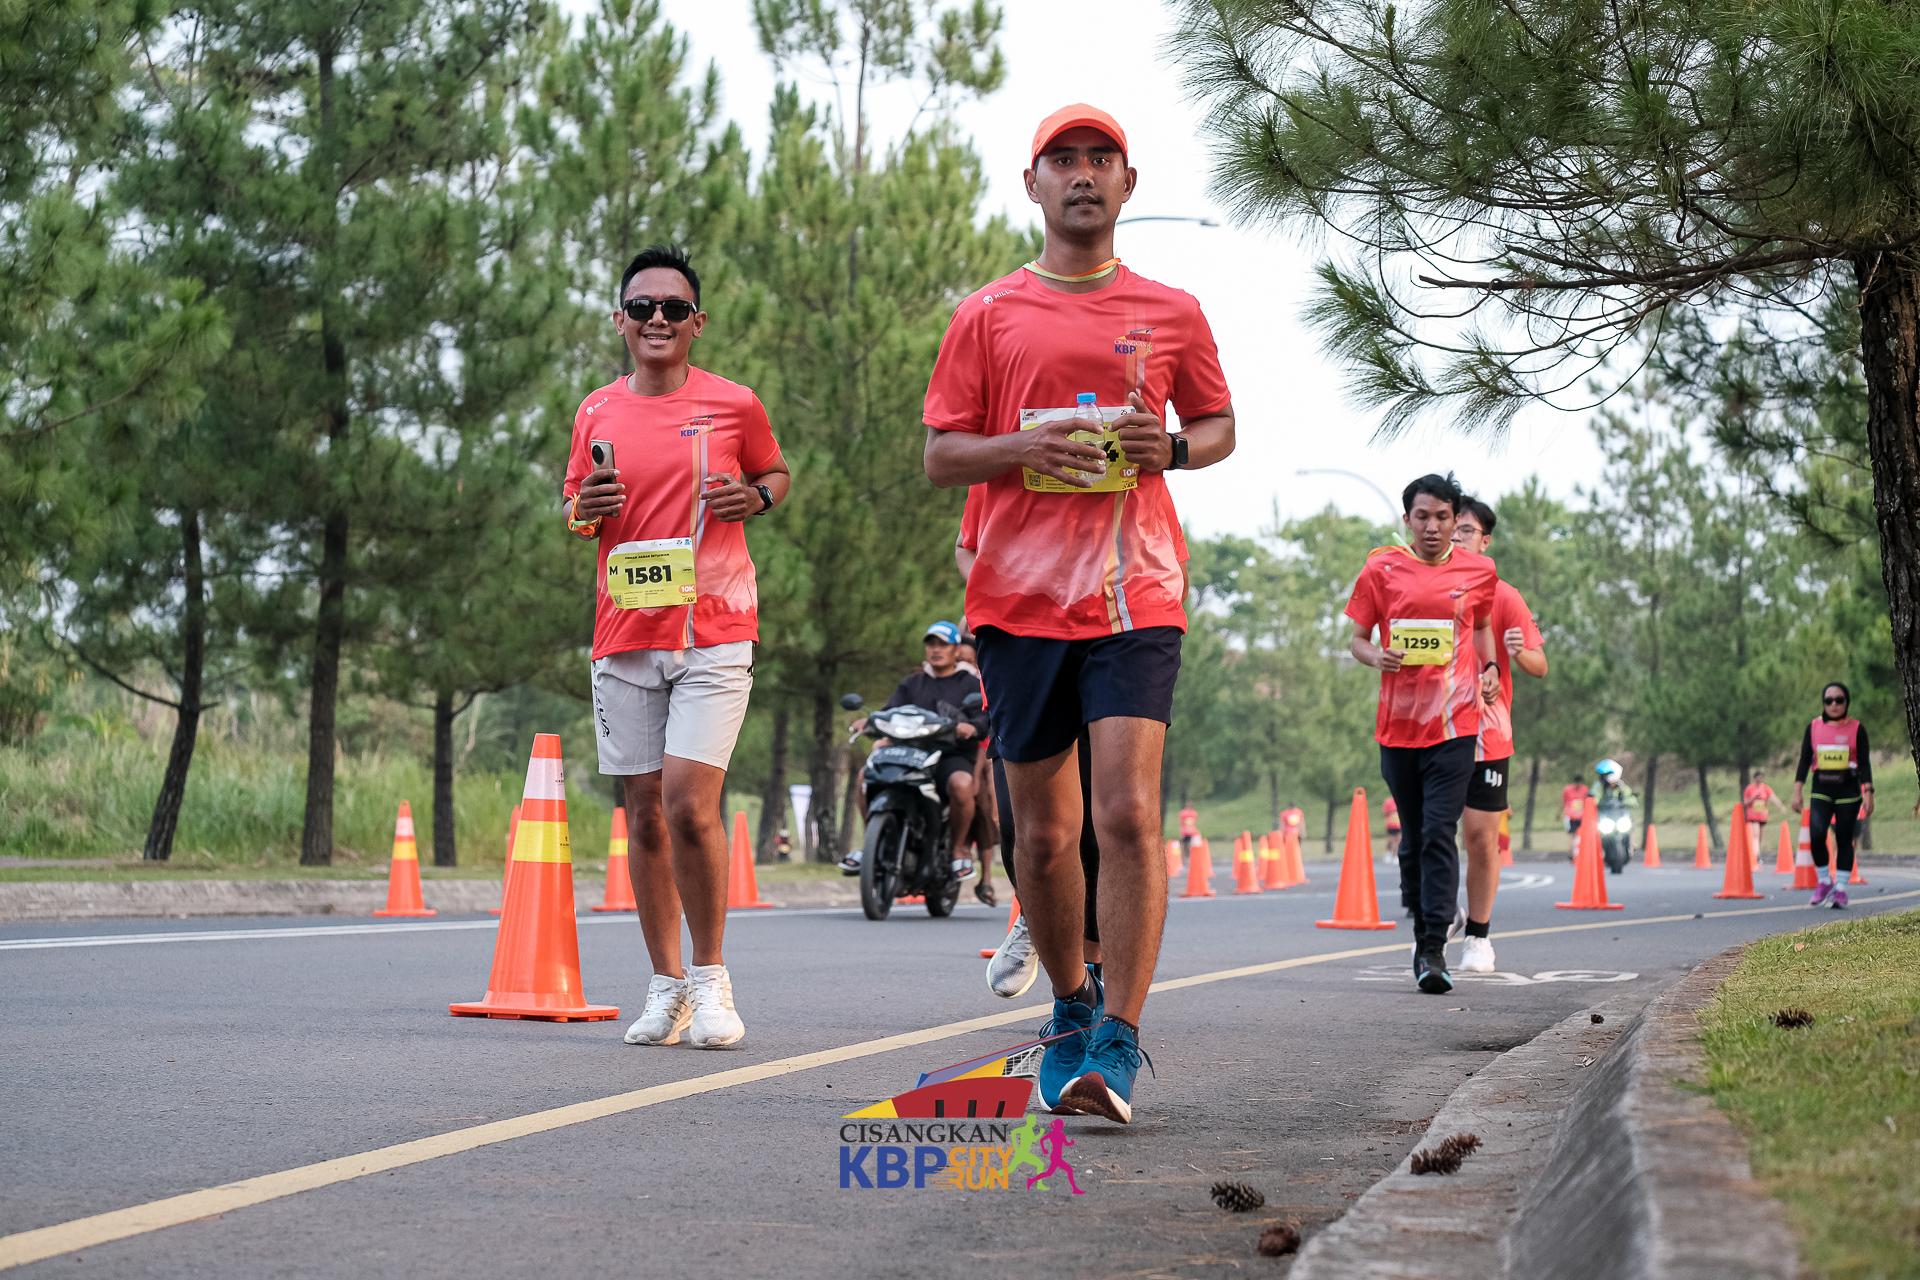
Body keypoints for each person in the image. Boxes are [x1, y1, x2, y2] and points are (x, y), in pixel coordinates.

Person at [922, 103, 1236, 1122]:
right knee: (1048, 836)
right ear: (1035, 185)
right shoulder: (988, 315)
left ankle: (1120, 1035)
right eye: (1064, 160)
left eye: (1103, 158)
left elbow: (1219, 425)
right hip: (1018, 603)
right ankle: (1069, 1005)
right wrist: (1023, 449)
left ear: (1128, 184)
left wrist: (1171, 449)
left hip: (1136, 592)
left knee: (1129, 814)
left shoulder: (1172, 310)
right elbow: (941, 454)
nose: (1084, 174)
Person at [565, 244, 791, 1049]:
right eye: (641, 308)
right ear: (620, 322)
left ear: (698, 322)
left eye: (672, 308)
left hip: (715, 630)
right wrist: (585, 508)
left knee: (691, 807)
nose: (656, 319)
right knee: (644, 817)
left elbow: (775, 473)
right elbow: (575, 508)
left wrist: (754, 497)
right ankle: (666, 989)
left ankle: (711, 979)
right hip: (626, 631)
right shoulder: (596, 411)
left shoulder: (734, 403)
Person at [1346, 473, 1498, 995]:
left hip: (1456, 724)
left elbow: (1481, 626)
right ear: (1407, 520)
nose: (1432, 527)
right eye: (1422, 516)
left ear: (1456, 520)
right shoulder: (1381, 568)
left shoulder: (1479, 571)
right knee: (1412, 841)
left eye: (1442, 517)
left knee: (1438, 832)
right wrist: (1377, 657)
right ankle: (1425, 924)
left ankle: (1433, 946)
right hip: (1398, 728)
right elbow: (1357, 639)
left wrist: (1490, 667)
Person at [1449, 497, 1547, 974]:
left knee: (1480, 837)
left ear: (1485, 541)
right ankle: (1440, 908)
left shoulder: (1503, 596)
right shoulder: (1425, 589)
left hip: (1486, 732)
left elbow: (1539, 664)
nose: (1455, 536)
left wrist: (1517, 651)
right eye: (1449, 526)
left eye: (1465, 530)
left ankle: (1478, 936)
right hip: (1429, 729)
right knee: (1423, 832)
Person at [839, 621, 990, 879]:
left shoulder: (971, 684)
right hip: (909, 753)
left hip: (950, 755)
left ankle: (958, 851)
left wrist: (971, 726)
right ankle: (871, 845)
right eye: (931, 644)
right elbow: (889, 711)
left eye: (943, 644)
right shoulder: (912, 683)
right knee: (865, 776)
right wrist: (870, 721)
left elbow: (984, 719)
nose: (936, 649)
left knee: (962, 784)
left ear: (956, 650)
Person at [1793, 682, 1876, 907]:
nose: (1834, 704)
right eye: (1828, 700)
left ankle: (1840, 889)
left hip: (1848, 791)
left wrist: (1868, 791)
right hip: (1822, 788)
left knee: (1844, 839)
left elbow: (1864, 763)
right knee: (1817, 835)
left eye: (1839, 700)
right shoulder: (1813, 727)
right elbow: (1804, 760)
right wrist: (1797, 791)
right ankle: (1824, 881)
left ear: (1846, 702)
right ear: (1823, 703)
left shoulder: (1857, 729)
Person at [1743, 769, 1777, 857]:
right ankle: (1756, 855)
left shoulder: (1766, 788)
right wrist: (1753, 797)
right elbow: (1745, 802)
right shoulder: (1749, 788)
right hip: (1753, 815)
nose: (1759, 780)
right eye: (1758, 778)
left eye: (1761, 778)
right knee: (1756, 835)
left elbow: (1773, 798)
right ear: (1754, 778)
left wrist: (1781, 807)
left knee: (1759, 837)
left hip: (1762, 816)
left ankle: (1756, 851)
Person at [1561, 775, 1588, 856]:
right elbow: (1564, 801)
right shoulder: (1568, 789)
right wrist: (1560, 813)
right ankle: (1572, 853)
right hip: (1570, 816)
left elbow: (1587, 802)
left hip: (1581, 816)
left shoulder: (1584, 789)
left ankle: (1578, 853)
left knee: (1580, 835)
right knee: (1572, 835)